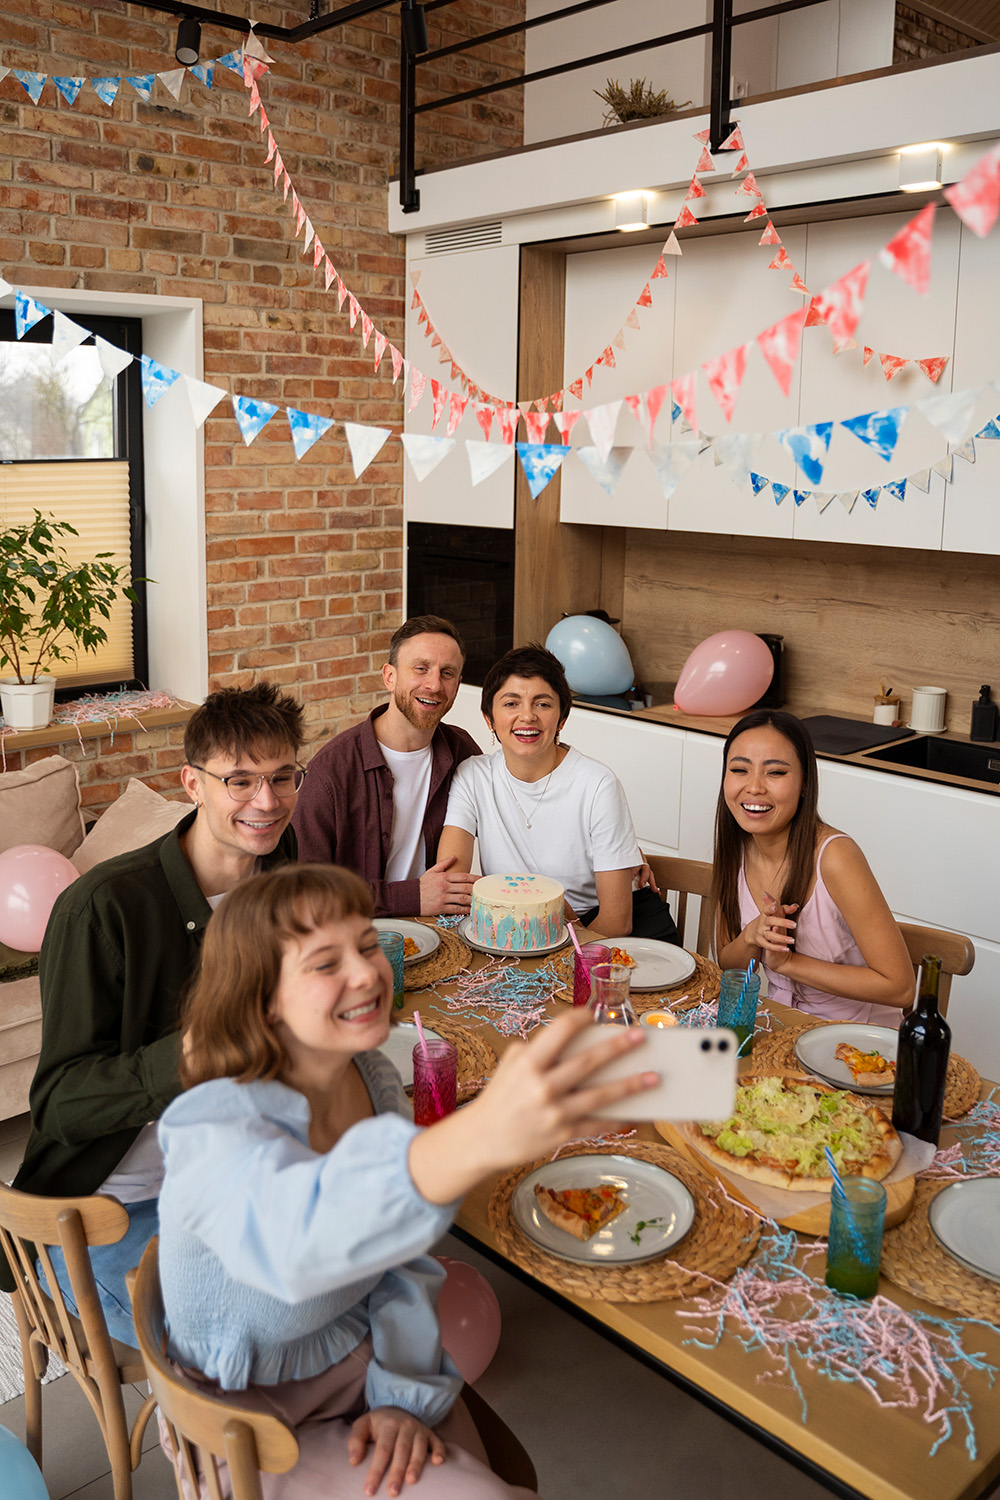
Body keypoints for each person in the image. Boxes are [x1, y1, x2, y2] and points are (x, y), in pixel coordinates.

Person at [157, 863, 654, 1500]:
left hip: (367, 1358)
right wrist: (481, 1134)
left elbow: (398, 1262)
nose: (366, 972)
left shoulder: (371, 1074)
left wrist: (401, 1395)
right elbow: (295, 1250)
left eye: (367, 945)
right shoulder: (210, 1124)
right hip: (253, 1419)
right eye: (323, 963)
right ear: (261, 998)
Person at [2, 681, 304, 1340]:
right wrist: (193, 1056)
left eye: (284, 778)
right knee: (254, 1340)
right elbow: (60, 1103)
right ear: (191, 784)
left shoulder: (283, 869)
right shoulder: (103, 909)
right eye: (241, 781)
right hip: (113, 1206)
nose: (268, 801)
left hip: (232, 1175)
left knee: (350, 1290)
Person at [437, 645, 679, 943]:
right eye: (511, 703)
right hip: (531, 930)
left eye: (543, 704)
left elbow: (617, 923)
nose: (527, 716)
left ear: (562, 719)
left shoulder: (598, 784)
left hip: (609, 932)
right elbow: (453, 886)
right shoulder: (472, 776)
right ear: (489, 719)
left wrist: (564, 931)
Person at [712, 708, 913, 1022]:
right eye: (739, 769)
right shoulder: (738, 844)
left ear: (805, 783)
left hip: (860, 1044)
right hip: (784, 1025)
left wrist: (788, 964)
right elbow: (729, 963)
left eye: (775, 772)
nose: (754, 787)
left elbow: (900, 988)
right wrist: (752, 936)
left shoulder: (835, 857)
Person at [293, 616, 480, 918]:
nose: (434, 684)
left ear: (458, 685)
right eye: (421, 669)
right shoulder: (330, 772)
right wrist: (410, 896)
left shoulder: (462, 752)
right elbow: (303, 893)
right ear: (389, 676)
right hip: (355, 938)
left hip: (441, 929)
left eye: (447, 673)